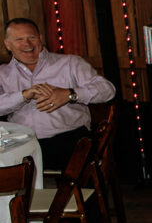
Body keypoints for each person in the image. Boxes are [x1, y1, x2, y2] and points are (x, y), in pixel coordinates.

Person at [0, 18, 116, 168]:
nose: (27, 44)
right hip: (22, 144)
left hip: (69, 140)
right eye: (19, 39)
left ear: (40, 39)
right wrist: (23, 96)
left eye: (32, 38)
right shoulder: (3, 73)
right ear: (7, 45)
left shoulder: (70, 63)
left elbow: (108, 90)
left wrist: (70, 95)